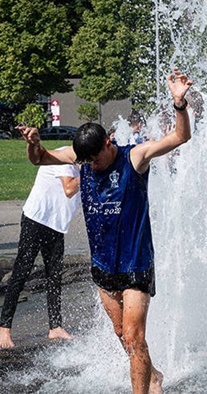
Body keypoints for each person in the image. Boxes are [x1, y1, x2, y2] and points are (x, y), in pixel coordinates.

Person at [16, 68, 193, 394]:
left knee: (134, 336)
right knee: (122, 334)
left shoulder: (134, 157)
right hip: (103, 267)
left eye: (95, 160)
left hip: (135, 264)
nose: (90, 166)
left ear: (109, 143)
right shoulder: (82, 158)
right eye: (86, 162)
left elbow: (180, 138)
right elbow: (39, 159)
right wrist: (34, 144)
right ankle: (153, 375)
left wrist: (179, 105)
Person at [0, 157, 80, 349]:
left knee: (54, 275)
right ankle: (3, 328)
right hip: (35, 220)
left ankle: (55, 327)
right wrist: (90, 171)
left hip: (56, 225)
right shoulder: (63, 158)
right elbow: (69, 189)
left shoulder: (83, 168)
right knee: (22, 272)